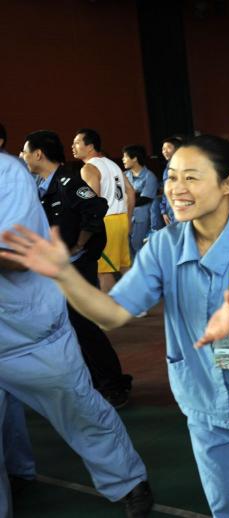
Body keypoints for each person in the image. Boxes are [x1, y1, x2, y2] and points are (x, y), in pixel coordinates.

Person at [3, 134, 229, 518]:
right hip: (206, 401)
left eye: (191, 177)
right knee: (228, 506)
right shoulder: (164, 244)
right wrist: (62, 273)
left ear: (228, 184)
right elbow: (112, 314)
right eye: (172, 176)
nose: (176, 188)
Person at [0, 152, 152, 518]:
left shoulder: (8, 174)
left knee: (80, 410)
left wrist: (77, 249)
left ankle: (128, 481)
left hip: (29, 330)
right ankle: (19, 474)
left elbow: (18, 254)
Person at [22, 130, 133, 407]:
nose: (22, 156)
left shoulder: (68, 181)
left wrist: (79, 245)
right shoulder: (40, 185)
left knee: (84, 325)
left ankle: (114, 384)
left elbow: (95, 208)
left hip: (77, 266)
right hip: (56, 268)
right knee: (67, 327)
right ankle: (91, 383)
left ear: (38, 154)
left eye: (25, 151)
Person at [72, 128, 135, 292]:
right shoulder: (113, 164)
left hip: (106, 222)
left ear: (90, 147)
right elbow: (130, 191)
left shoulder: (88, 168)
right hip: (121, 219)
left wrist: (86, 231)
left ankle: (111, 307)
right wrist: (128, 219)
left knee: (103, 271)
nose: (72, 147)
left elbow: (93, 204)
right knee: (123, 266)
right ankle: (139, 302)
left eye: (77, 143)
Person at [122, 145, 158, 257]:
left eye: (125, 157)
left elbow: (145, 199)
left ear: (135, 158)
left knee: (139, 248)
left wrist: (127, 199)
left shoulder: (149, 176)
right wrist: (134, 195)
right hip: (125, 216)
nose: (123, 159)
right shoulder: (124, 175)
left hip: (141, 218)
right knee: (126, 250)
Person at [156, 136, 182, 229]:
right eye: (163, 149)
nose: (165, 151)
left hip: (180, 209)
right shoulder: (166, 169)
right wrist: (164, 211)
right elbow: (165, 192)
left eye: (168, 148)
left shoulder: (183, 167)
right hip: (170, 210)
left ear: (178, 149)